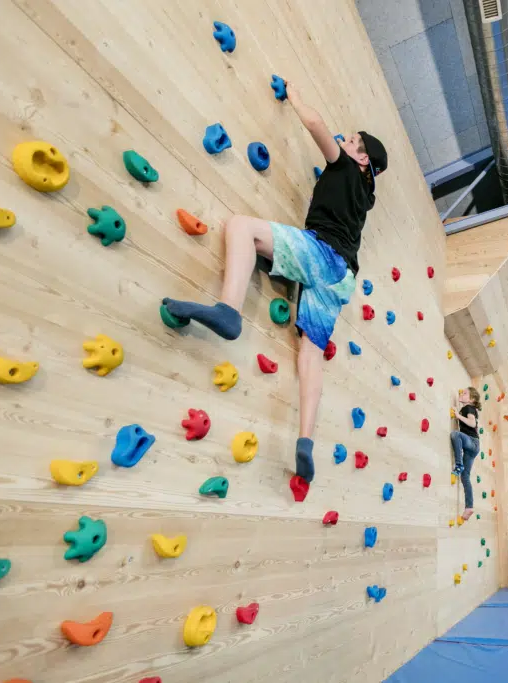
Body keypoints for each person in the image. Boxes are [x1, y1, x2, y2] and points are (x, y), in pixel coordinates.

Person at [161, 78, 387, 491]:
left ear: (361, 159)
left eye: (352, 140)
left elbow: (317, 126)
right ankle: (304, 440)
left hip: (322, 255)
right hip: (342, 278)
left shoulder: (345, 168)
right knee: (311, 356)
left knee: (241, 227)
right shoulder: (364, 200)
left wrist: (295, 97)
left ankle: (229, 311)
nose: (344, 139)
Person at [451, 387, 481, 520]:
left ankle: (458, 464)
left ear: (471, 399)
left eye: (465, 393)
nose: (462, 394)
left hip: (472, 443)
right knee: (465, 477)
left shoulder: (469, 408)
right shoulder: (469, 409)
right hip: (473, 446)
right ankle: (469, 507)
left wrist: (457, 416)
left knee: (455, 434)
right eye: (462, 393)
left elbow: (471, 422)